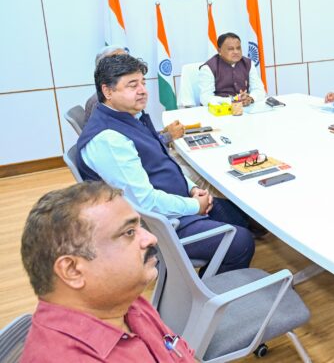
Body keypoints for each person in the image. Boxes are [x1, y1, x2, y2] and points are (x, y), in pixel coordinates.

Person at [76, 54, 255, 274]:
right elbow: (144, 203)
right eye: (132, 85)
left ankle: (213, 271)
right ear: (108, 91)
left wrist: (192, 188)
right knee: (241, 241)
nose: (143, 90)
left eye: (142, 82)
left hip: (175, 203)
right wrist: (194, 206)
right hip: (157, 226)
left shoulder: (129, 117)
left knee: (239, 216)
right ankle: (205, 290)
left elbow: (163, 161)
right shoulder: (109, 139)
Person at [20, 182, 195, 362]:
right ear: (72, 271)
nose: (151, 238)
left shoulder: (123, 300)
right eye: (129, 232)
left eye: (140, 227)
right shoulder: (65, 358)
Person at [83, 45, 184, 144]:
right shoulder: (99, 106)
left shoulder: (127, 102)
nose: (143, 91)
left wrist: (161, 133)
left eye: (143, 83)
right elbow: (137, 146)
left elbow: (139, 136)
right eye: (119, 61)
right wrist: (168, 136)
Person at [197, 32, 266, 106]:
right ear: (219, 51)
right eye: (230, 49)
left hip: (245, 108)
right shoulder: (208, 68)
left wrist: (250, 98)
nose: (236, 52)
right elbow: (205, 98)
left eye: (238, 48)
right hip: (221, 110)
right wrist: (232, 100)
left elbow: (259, 90)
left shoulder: (248, 63)